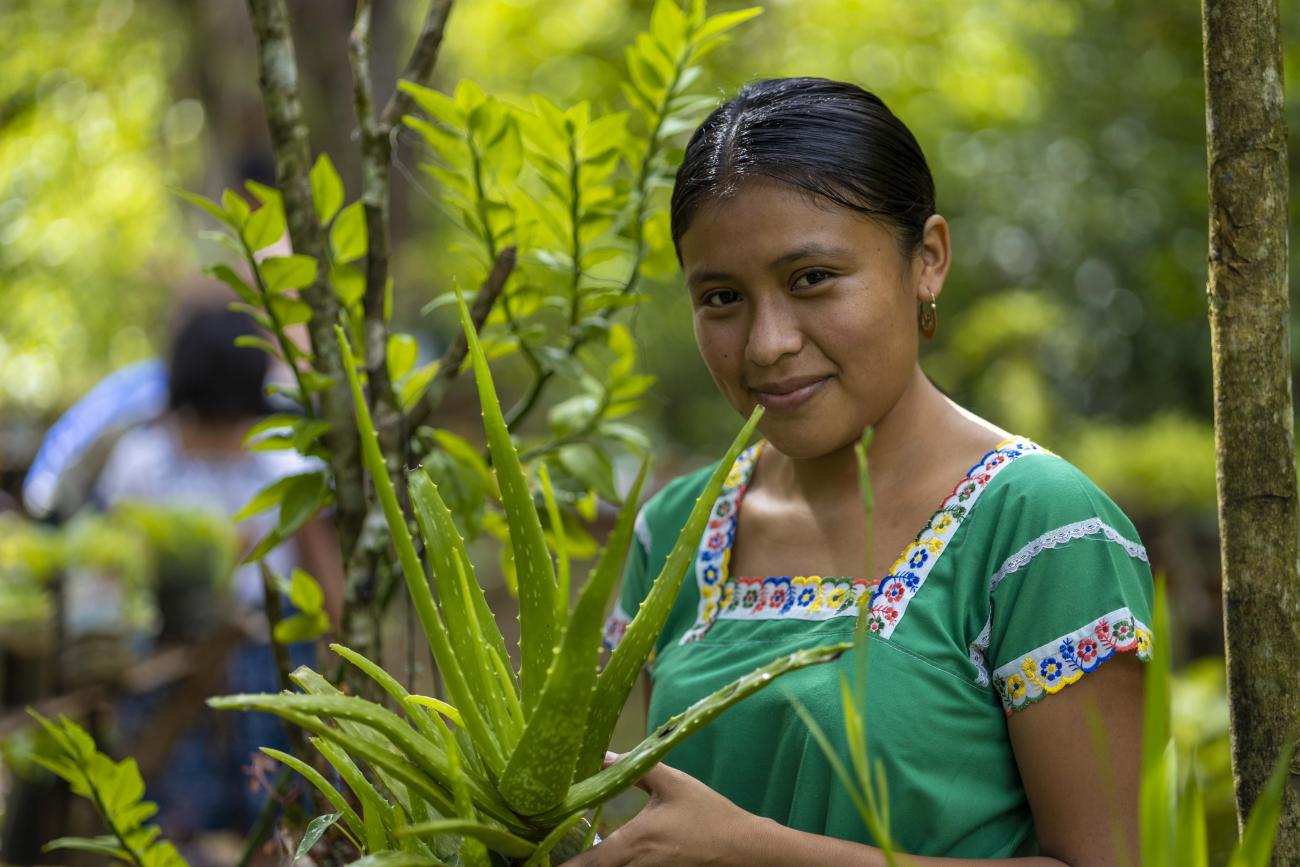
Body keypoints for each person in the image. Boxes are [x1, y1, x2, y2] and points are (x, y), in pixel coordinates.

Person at [583, 78, 1152, 866]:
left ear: (927, 260)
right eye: (722, 297)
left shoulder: (1041, 529)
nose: (766, 344)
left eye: (811, 278)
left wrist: (752, 851)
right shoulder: (676, 530)